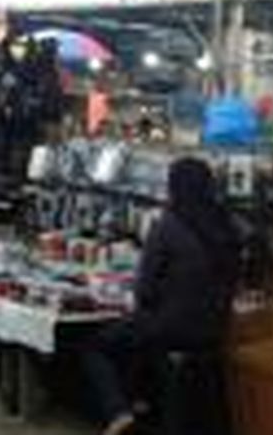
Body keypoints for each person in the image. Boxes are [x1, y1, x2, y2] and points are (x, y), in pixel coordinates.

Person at [82, 157, 238, 435]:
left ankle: (119, 413)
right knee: (139, 339)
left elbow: (144, 291)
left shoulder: (168, 225)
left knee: (96, 346)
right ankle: (140, 404)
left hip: (171, 330)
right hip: (213, 332)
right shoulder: (227, 225)